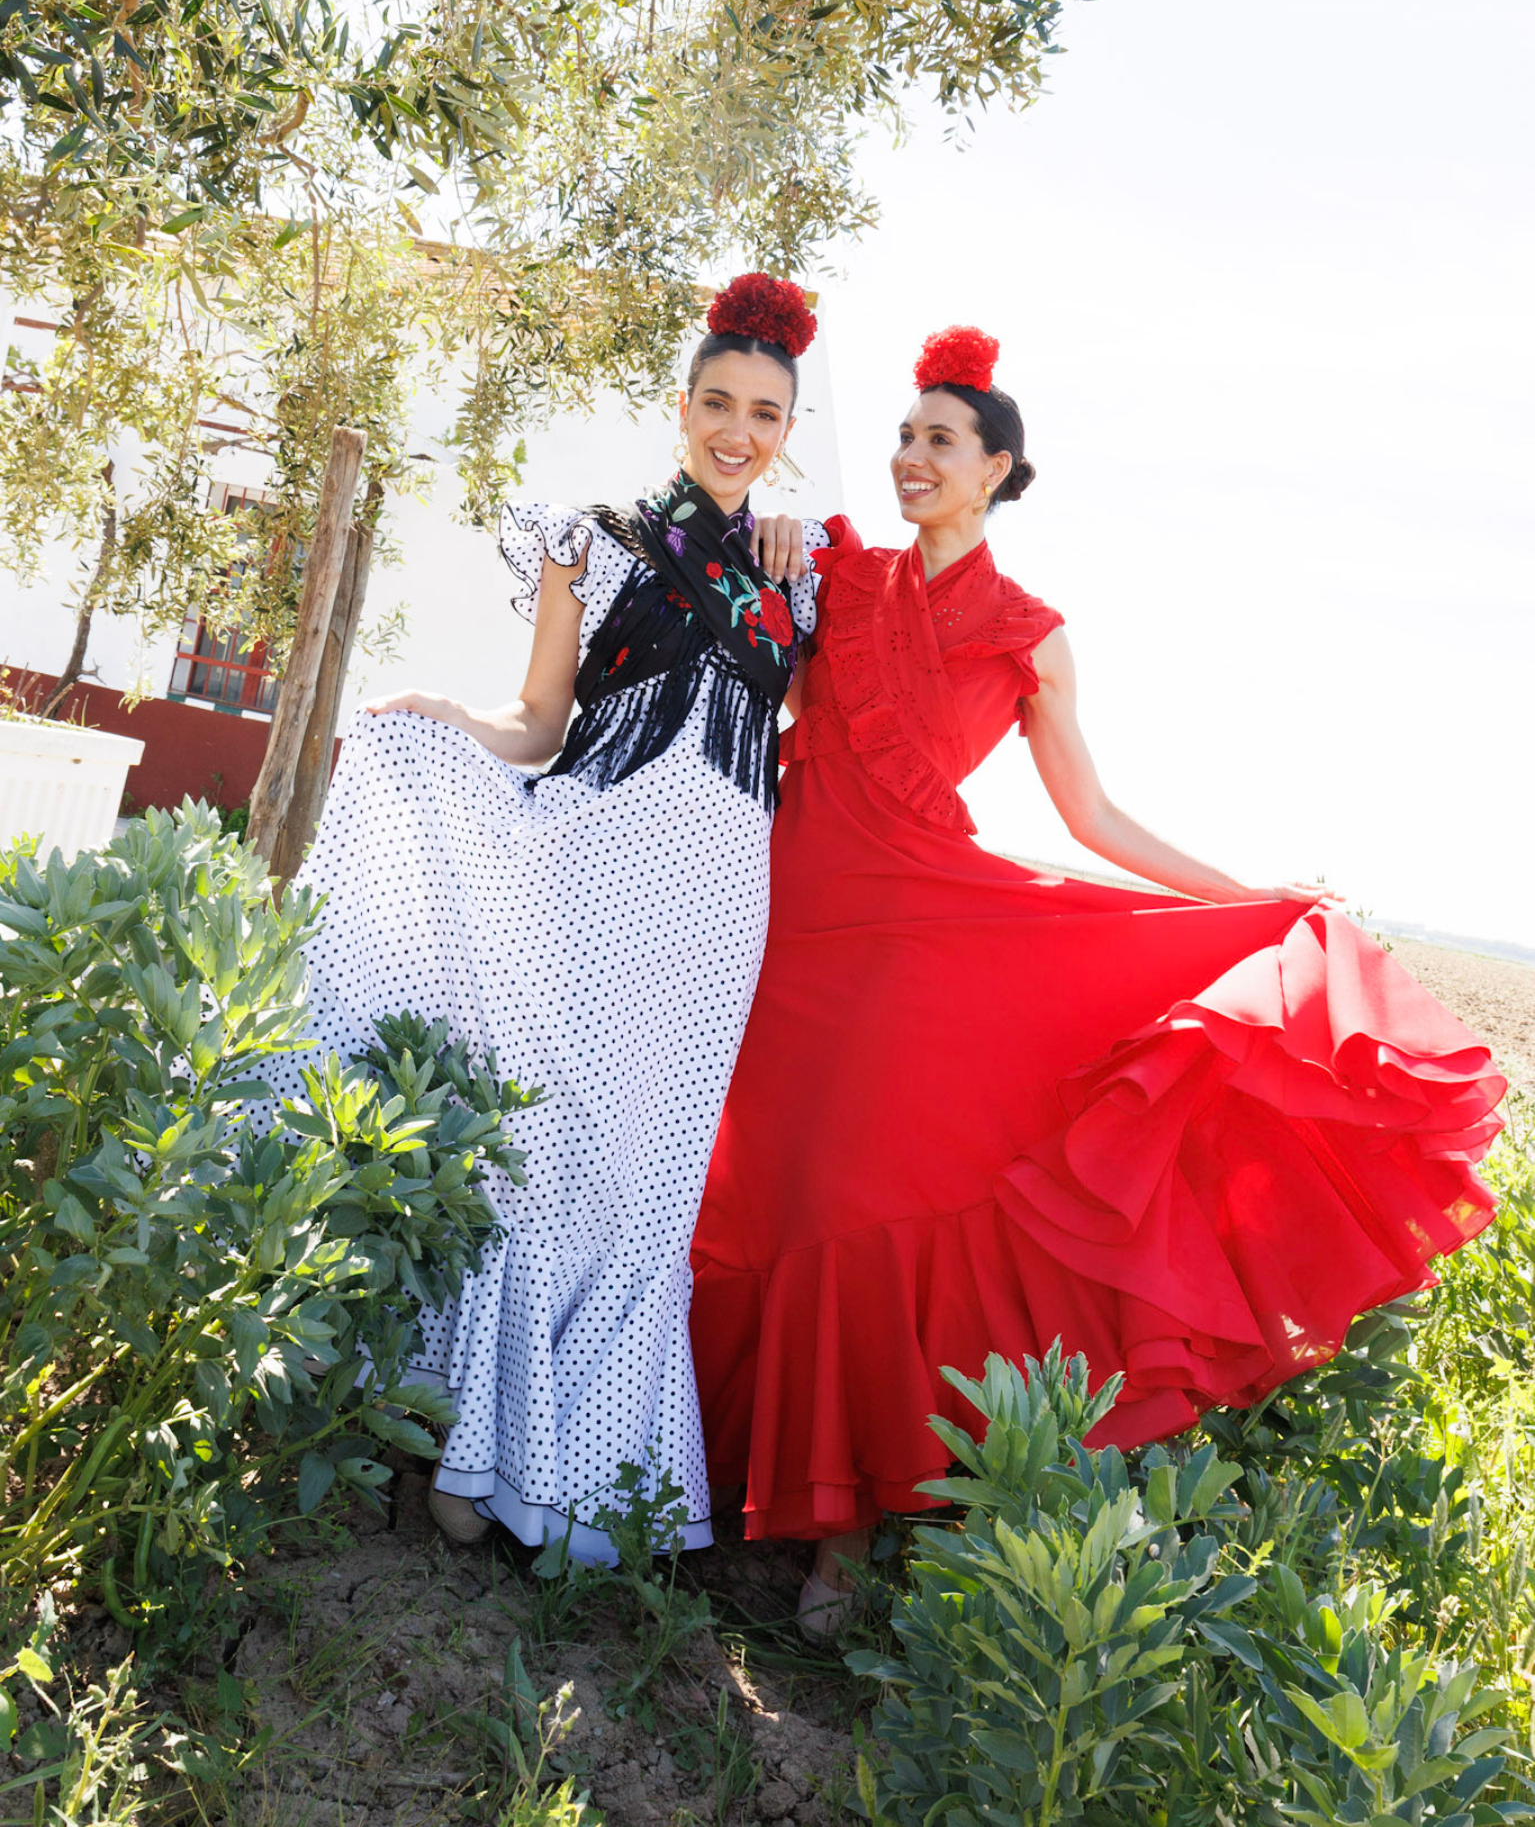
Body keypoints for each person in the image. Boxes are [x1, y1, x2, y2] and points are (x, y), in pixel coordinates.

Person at [689, 324, 1506, 1633]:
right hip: (789, 925)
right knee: (768, 1197)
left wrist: (1250, 899)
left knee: (853, 1200)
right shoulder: (834, 565)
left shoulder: (1029, 634)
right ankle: (713, 1474)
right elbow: (729, 638)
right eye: (903, 434)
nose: (909, 455)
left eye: (938, 441)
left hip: (917, 946)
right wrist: (774, 540)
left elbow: (1092, 817)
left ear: (996, 467)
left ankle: (839, 1534)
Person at [295, 273, 830, 1562]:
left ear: (787, 426)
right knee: (545, 1161)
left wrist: (801, 542)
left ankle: (585, 1484)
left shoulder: (801, 583)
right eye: (717, 403)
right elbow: (540, 721)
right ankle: (468, 1460)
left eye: (764, 412)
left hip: (714, 906)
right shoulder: (595, 539)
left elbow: (815, 735)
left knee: (646, 1189)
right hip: (591, 868)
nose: (737, 432)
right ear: (680, 406)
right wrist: (443, 718)